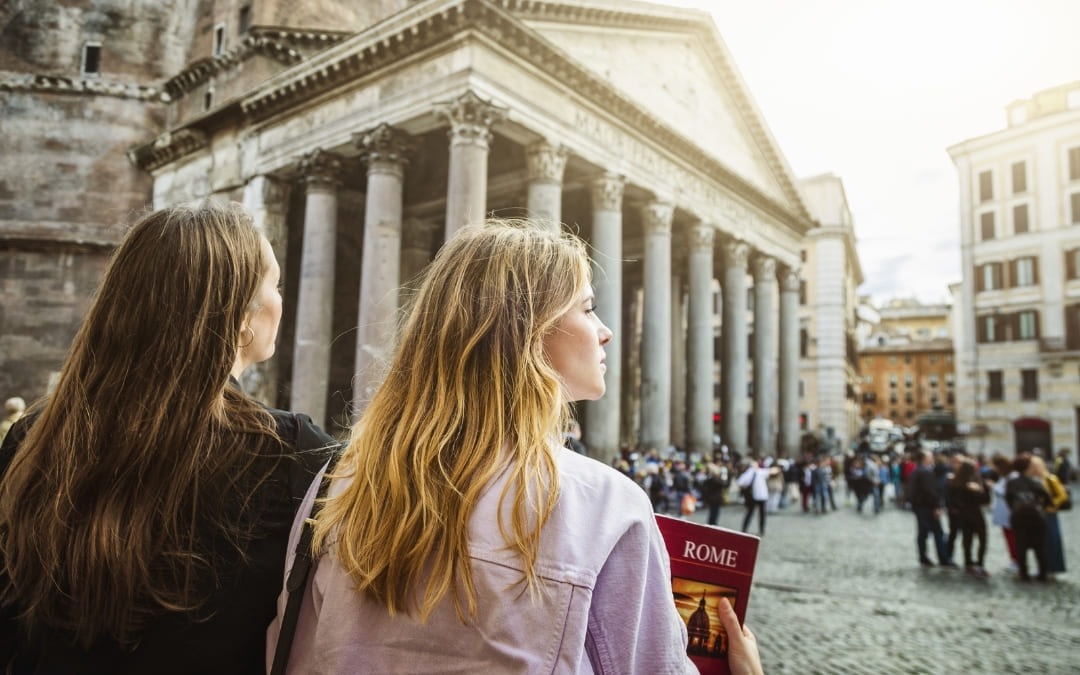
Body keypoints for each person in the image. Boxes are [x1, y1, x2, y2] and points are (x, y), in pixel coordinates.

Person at [267, 221, 702, 672]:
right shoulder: (605, 507)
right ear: (530, 331)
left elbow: (291, 653)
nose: (605, 330)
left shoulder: (339, 481)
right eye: (588, 308)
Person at [0, 202, 338, 673]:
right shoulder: (292, 453)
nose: (281, 300)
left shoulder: (32, 438)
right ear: (241, 314)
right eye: (275, 284)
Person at [1005, 453, 1052, 581]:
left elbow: (1009, 500)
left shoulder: (1012, 482)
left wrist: (1015, 509)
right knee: (1040, 547)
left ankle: (1024, 573)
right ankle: (1042, 574)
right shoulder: (1035, 482)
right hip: (1035, 517)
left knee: (1021, 545)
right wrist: (1041, 508)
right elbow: (1048, 498)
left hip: (1019, 517)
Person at [907, 449, 958, 568]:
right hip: (927, 507)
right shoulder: (925, 472)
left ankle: (924, 557)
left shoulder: (918, 470)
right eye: (930, 456)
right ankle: (943, 558)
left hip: (921, 506)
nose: (932, 458)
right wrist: (936, 506)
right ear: (924, 458)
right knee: (937, 533)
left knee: (923, 533)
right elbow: (930, 492)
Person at [945, 457, 991, 577]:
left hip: (963, 514)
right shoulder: (972, 484)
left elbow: (952, 500)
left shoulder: (955, 482)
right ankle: (979, 564)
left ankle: (968, 562)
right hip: (975, 514)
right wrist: (980, 490)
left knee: (967, 539)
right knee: (981, 539)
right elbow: (985, 500)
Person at [1029, 455, 1068, 577]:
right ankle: (1042, 567)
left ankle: (1052, 567)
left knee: (1052, 541)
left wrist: (1051, 506)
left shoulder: (1051, 479)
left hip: (1050, 514)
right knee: (1039, 542)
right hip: (1037, 514)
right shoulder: (1031, 480)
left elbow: (1062, 496)